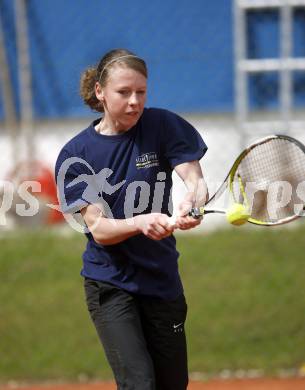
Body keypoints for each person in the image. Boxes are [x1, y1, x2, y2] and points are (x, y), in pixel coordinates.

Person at [55, 48, 208, 390]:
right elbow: (100, 230)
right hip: (112, 284)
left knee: (172, 384)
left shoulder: (162, 125)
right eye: (124, 92)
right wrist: (140, 222)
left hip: (162, 279)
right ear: (100, 92)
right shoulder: (76, 155)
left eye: (141, 92)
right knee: (139, 383)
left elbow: (196, 181)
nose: (134, 101)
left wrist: (191, 204)